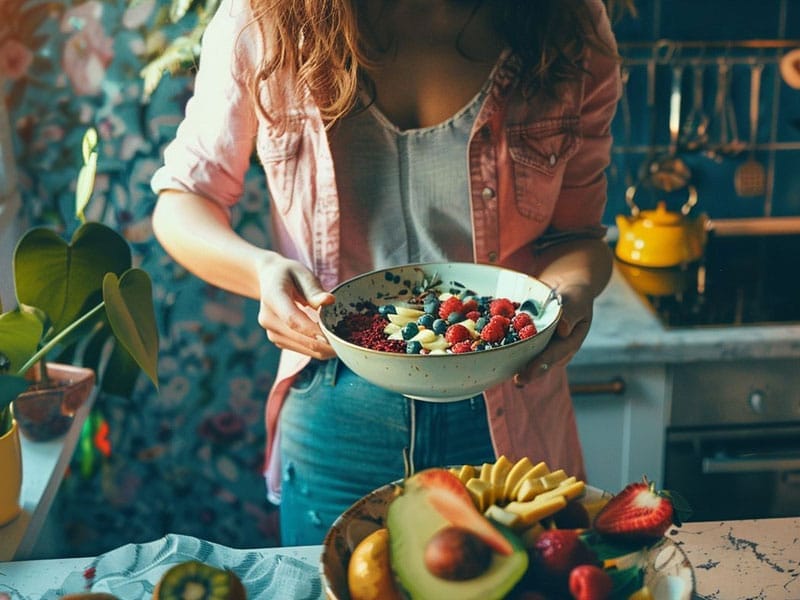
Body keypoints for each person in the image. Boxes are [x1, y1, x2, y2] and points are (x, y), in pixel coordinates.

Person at [151, 0, 628, 546]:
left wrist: (568, 294)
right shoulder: (263, 19)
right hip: (337, 419)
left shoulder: (566, 23)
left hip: (508, 417)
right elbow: (184, 199)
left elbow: (576, 238)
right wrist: (262, 270)